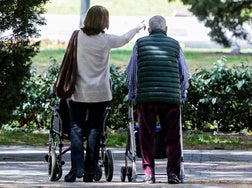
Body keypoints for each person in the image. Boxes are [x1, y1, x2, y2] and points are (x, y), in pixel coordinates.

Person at [64, 5, 145, 182]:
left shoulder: (77, 37)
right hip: (100, 93)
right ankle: (90, 171)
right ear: (104, 21)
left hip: (78, 92)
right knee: (95, 129)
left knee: (76, 128)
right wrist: (137, 28)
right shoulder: (106, 40)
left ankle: (76, 167)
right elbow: (124, 39)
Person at [126, 15, 189, 184]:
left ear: (148, 30)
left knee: (146, 135)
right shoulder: (175, 45)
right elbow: (184, 74)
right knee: (173, 136)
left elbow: (132, 73)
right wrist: (181, 93)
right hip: (171, 99)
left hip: (147, 99)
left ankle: (149, 173)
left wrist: (132, 93)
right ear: (166, 29)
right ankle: (173, 173)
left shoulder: (140, 44)